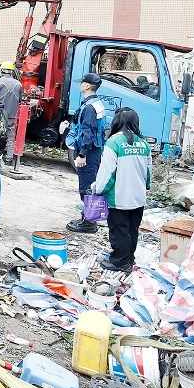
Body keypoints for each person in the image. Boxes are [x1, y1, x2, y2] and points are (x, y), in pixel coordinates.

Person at [92, 108, 152, 272]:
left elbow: (107, 172)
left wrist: (98, 189)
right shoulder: (144, 144)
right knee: (132, 230)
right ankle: (129, 259)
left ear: (116, 122)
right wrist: (146, 186)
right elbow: (148, 172)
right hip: (138, 197)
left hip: (119, 197)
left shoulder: (114, 142)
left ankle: (119, 261)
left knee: (119, 231)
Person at [66, 73, 109, 233]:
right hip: (95, 150)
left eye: (82, 83)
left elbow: (88, 132)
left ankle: (90, 223)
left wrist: (82, 154)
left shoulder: (90, 107)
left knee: (87, 187)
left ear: (87, 86)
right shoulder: (96, 104)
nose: (81, 85)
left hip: (89, 152)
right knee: (92, 185)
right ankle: (88, 218)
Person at [0, 62, 23, 225]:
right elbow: (20, 99)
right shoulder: (18, 84)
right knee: (9, 137)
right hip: (11, 115)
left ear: (2, 71)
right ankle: (8, 157)